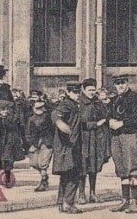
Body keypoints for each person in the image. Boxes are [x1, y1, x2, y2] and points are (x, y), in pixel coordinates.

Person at [108, 75, 137, 214]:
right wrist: (110, 121)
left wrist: (122, 123)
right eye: (117, 83)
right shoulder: (114, 99)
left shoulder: (134, 97)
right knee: (121, 168)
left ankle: (134, 202)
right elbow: (109, 114)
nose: (120, 86)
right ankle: (125, 200)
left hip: (129, 135)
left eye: (122, 83)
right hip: (116, 137)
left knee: (132, 168)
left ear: (127, 83)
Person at [77, 78, 110, 204]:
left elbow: (105, 116)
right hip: (83, 139)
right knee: (82, 167)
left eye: (93, 90)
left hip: (96, 139)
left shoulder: (98, 102)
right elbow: (79, 122)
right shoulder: (79, 103)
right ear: (83, 90)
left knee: (94, 166)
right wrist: (95, 124)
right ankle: (81, 194)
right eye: (89, 90)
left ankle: (92, 193)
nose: (92, 92)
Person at [52, 81, 84, 214]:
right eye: (75, 92)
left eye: (78, 92)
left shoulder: (74, 104)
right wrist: (59, 123)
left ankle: (62, 202)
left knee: (66, 174)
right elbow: (55, 114)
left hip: (70, 144)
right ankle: (68, 203)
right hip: (69, 145)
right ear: (69, 92)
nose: (77, 95)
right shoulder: (67, 104)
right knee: (73, 173)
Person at [26, 98, 55, 192]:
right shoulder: (31, 119)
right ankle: (44, 176)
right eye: (36, 107)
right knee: (34, 163)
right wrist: (30, 141)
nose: (39, 109)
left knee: (43, 163)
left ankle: (43, 180)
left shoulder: (49, 117)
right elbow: (27, 131)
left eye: (41, 107)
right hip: (35, 143)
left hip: (46, 143)